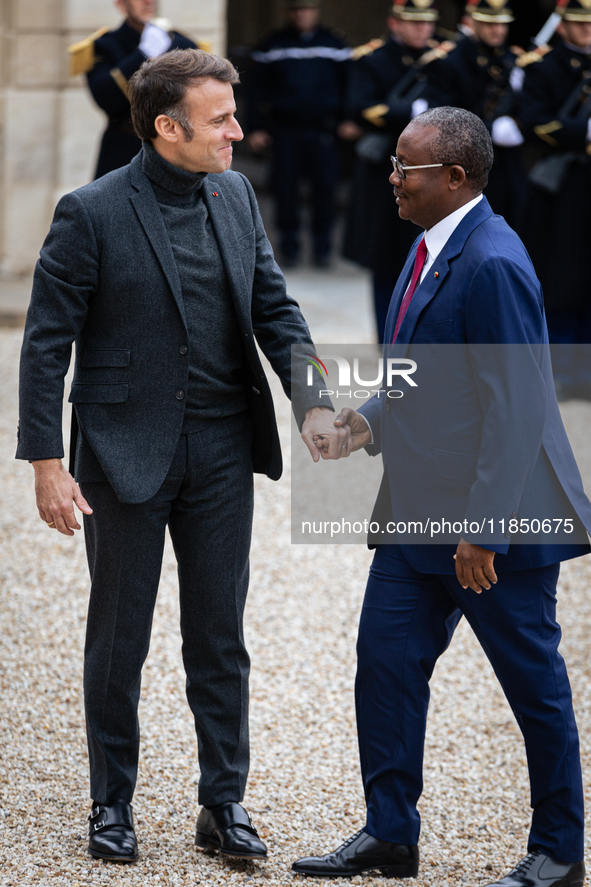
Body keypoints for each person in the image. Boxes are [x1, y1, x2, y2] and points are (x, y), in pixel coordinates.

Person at [17, 48, 349, 865]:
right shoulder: (90, 211)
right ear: (167, 127)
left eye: (234, 114)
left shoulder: (235, 195)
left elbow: (278, 308)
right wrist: (45, 462)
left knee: (219, 634)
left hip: (223, 450)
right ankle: (111, 802)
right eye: (221, 118)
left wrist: (310, 401)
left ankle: (223, 802)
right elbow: (44, 344)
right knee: (118, 635)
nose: (238, 130)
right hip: (122, 452)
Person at [292, 107, 590, 887]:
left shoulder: (493, 262)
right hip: (413, 515)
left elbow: (519, 404)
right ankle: (391, 833)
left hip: (494, 526)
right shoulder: (424, 245)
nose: (389, 176)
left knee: (532, 688)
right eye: (392, 162)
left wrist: (483, 528)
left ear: (453, 178)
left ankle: (560, 851)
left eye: (404, 167)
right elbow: (425, 372)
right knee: (383, 667)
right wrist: (359, 424)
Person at [342, 0, 445, 342]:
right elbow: (361, 108)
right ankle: (390, 334)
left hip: (429, 169)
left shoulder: (442, 59)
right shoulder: (373, 59)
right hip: (383, 169)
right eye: (414, 23)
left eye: (427, 23)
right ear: (394, 23)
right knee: (385, 255)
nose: (423, 29)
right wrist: (411, 110)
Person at [520, 0, 591, 400]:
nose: (587, 31)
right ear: (563, 26)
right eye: (580, 24)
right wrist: (582, 131)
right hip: (564, 187)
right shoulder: (543, 66)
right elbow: (536, 121)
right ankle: (562, 369)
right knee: (563, 278)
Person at [245, 0, 350, 268]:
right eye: (297, 9)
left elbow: (349, 83)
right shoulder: (273, 44)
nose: (302, 14)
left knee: (325, 189)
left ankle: (322, 247)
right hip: (285, 131)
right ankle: (289, 246)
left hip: (323, 129)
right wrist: (255, 127)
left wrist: (348, 119)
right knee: (285, 188)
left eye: (308, 9)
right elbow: (256, 89)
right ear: (289, 12)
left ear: (316, 11)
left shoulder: (334, 43)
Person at [424, 0, 528, 233]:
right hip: (466, 165)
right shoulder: (451, 61)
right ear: (472, 21)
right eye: (490, 23)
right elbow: (444, 120)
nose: (498, 30)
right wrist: (490, 129)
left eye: (502, 24)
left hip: (505, 163)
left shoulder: (511, 59)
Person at [68, 0, 198, 179]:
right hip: (123, 150)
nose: (148, 2)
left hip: (173, 150)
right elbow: (105, 97)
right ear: (121, 4)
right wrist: (143, 54)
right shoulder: (105, 45)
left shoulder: (181, 43)